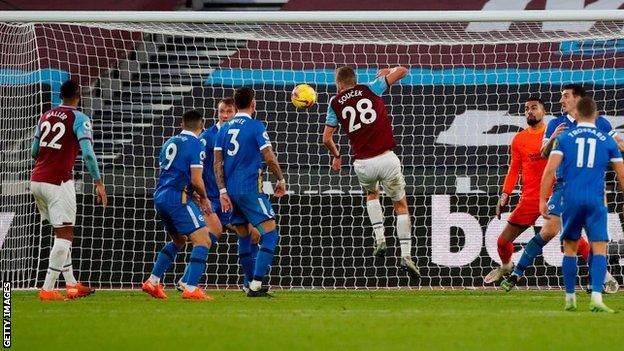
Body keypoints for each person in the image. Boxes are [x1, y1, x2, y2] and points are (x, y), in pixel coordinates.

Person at [501, 85, 620, 292]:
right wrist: (554, 137)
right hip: (564, 187)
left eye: (565, 96)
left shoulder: (600, 122)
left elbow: (618, 142)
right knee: (548, 231)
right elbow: (545, 154)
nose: (561, 100)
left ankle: (600, 280)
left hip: (593, 188)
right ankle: (516, 275)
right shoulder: (557, 123)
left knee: (593, 237)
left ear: (578, 99)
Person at [322, 66, 419, 278]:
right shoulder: (371, 88)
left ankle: (380, 239)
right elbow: (403, 70)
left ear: (339, 85)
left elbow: (326, 138)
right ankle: (406, 256)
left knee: (371, 194)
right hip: (386, 159)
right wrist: (387, 71)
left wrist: (337, 155)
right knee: (400, 205)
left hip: (363, 164)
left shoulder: (335, 102)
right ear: (354, 81)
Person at [539, 97, 624, 312]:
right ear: (596, 115)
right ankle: (596, 297)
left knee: (570, 249)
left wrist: (542, 199)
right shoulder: (606, 139)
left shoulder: (565, 138)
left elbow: (549, 171)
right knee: (599, 249)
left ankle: (570, 299)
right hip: (596, 200)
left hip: (570, 199)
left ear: (576, 115)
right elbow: (621, 175)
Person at [31, 80, 107, 301]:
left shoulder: (45, 115)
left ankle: (72, 284)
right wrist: (99, 182)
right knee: (65, 234)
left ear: (60, 95)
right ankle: (47, 288)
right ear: (78, 94)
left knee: (59, 233)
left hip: (37, 179)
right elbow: (88, 154)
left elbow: (35, 151)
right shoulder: (80, 119)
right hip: (58, 181)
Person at [177, 98, 261, 293]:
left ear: (235, 112)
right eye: (221, 111)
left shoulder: (240, 135)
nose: (224, 115)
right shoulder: (207, 137)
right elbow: (194, 168)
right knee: (208, 237)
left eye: (228, 112)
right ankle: (187, 281)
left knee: (254, 234)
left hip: (231, 200)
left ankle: (250, 283)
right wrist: (196, 194)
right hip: (212, 200)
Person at [215, 87, 286, 297]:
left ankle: (249, 284)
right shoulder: (256, 126)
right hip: (249, 189)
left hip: (231, 190)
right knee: (270, 234)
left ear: (234, 105)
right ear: (253, 104)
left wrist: (222, 191)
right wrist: (280, 179)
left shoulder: (223, 129)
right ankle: (255, 283)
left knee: (245, 236)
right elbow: (269, 156)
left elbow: (216, 163)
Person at [142, 110, 213, 300]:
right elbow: (197, 179)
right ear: (202, 126)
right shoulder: (196, 144)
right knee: (204, 240)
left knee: (179, 240)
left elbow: (174, 172)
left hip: (161, 196)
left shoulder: (169, 142)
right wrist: (204, 198)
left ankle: (153, 281)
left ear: (181, 124)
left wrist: (192, 194)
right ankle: (190, 288)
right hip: (178, 198)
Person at [484, 98, 548, 284]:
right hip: (529, 199)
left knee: (572, 237)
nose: (530, 111)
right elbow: (514, 170)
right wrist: (504, 195)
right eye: (526, 109)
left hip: (554, 196)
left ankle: (603, 276)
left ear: (543, 111)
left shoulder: (552, 134)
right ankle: (506, 266)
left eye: (534, 108)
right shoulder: (519, 139)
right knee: (502, 242)